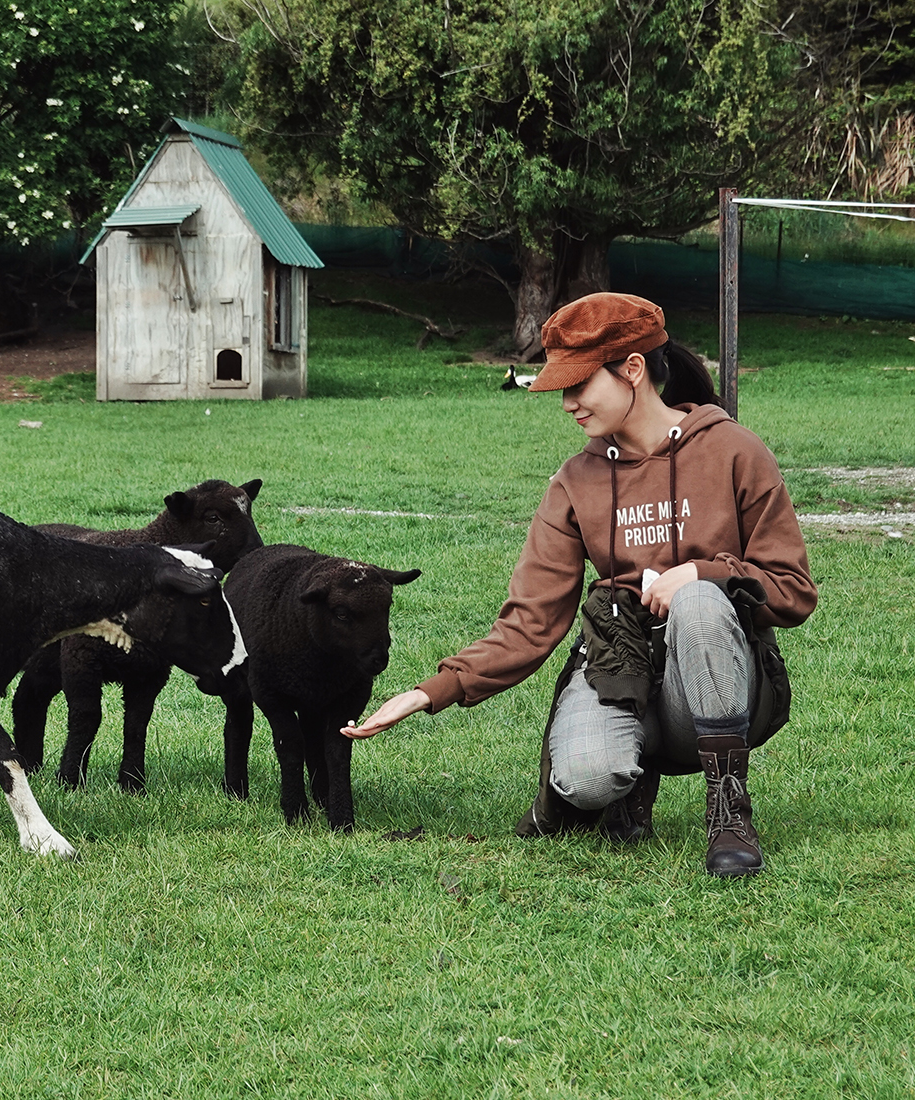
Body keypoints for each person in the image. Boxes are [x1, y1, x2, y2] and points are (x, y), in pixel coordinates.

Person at [344, 292, 816, 877]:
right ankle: (628, 786)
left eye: (579, 384)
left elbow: (793, 590)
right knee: (584, 777)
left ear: (634, 370)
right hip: (623, 669)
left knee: (698, 601)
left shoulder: (735, 452)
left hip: (723, 683)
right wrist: (432, 690)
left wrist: (704, 573)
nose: (567, 403)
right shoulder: (575, 483)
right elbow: (530, 621)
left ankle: (727, 810)